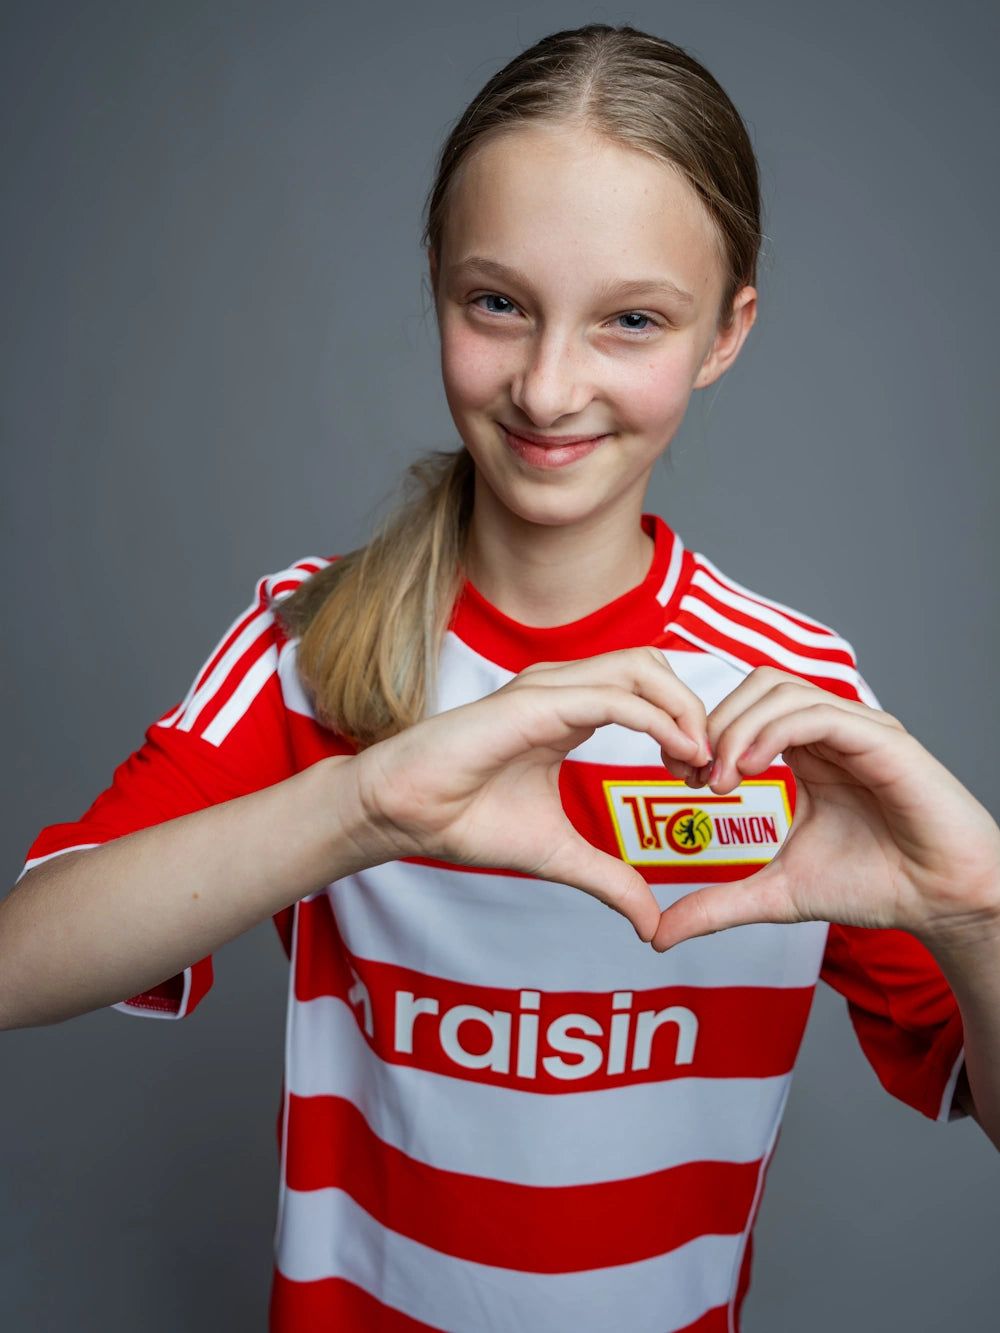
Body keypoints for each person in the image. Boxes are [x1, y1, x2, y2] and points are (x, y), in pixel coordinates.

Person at [5, 21, 999, 1333]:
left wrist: (979, 912)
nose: (546, 385)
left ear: (725, 332)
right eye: (498, 303)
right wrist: (367, 807)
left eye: (631, 320)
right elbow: (21, 958)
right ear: (435, 284)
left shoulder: (796, 697)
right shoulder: (313, 644)